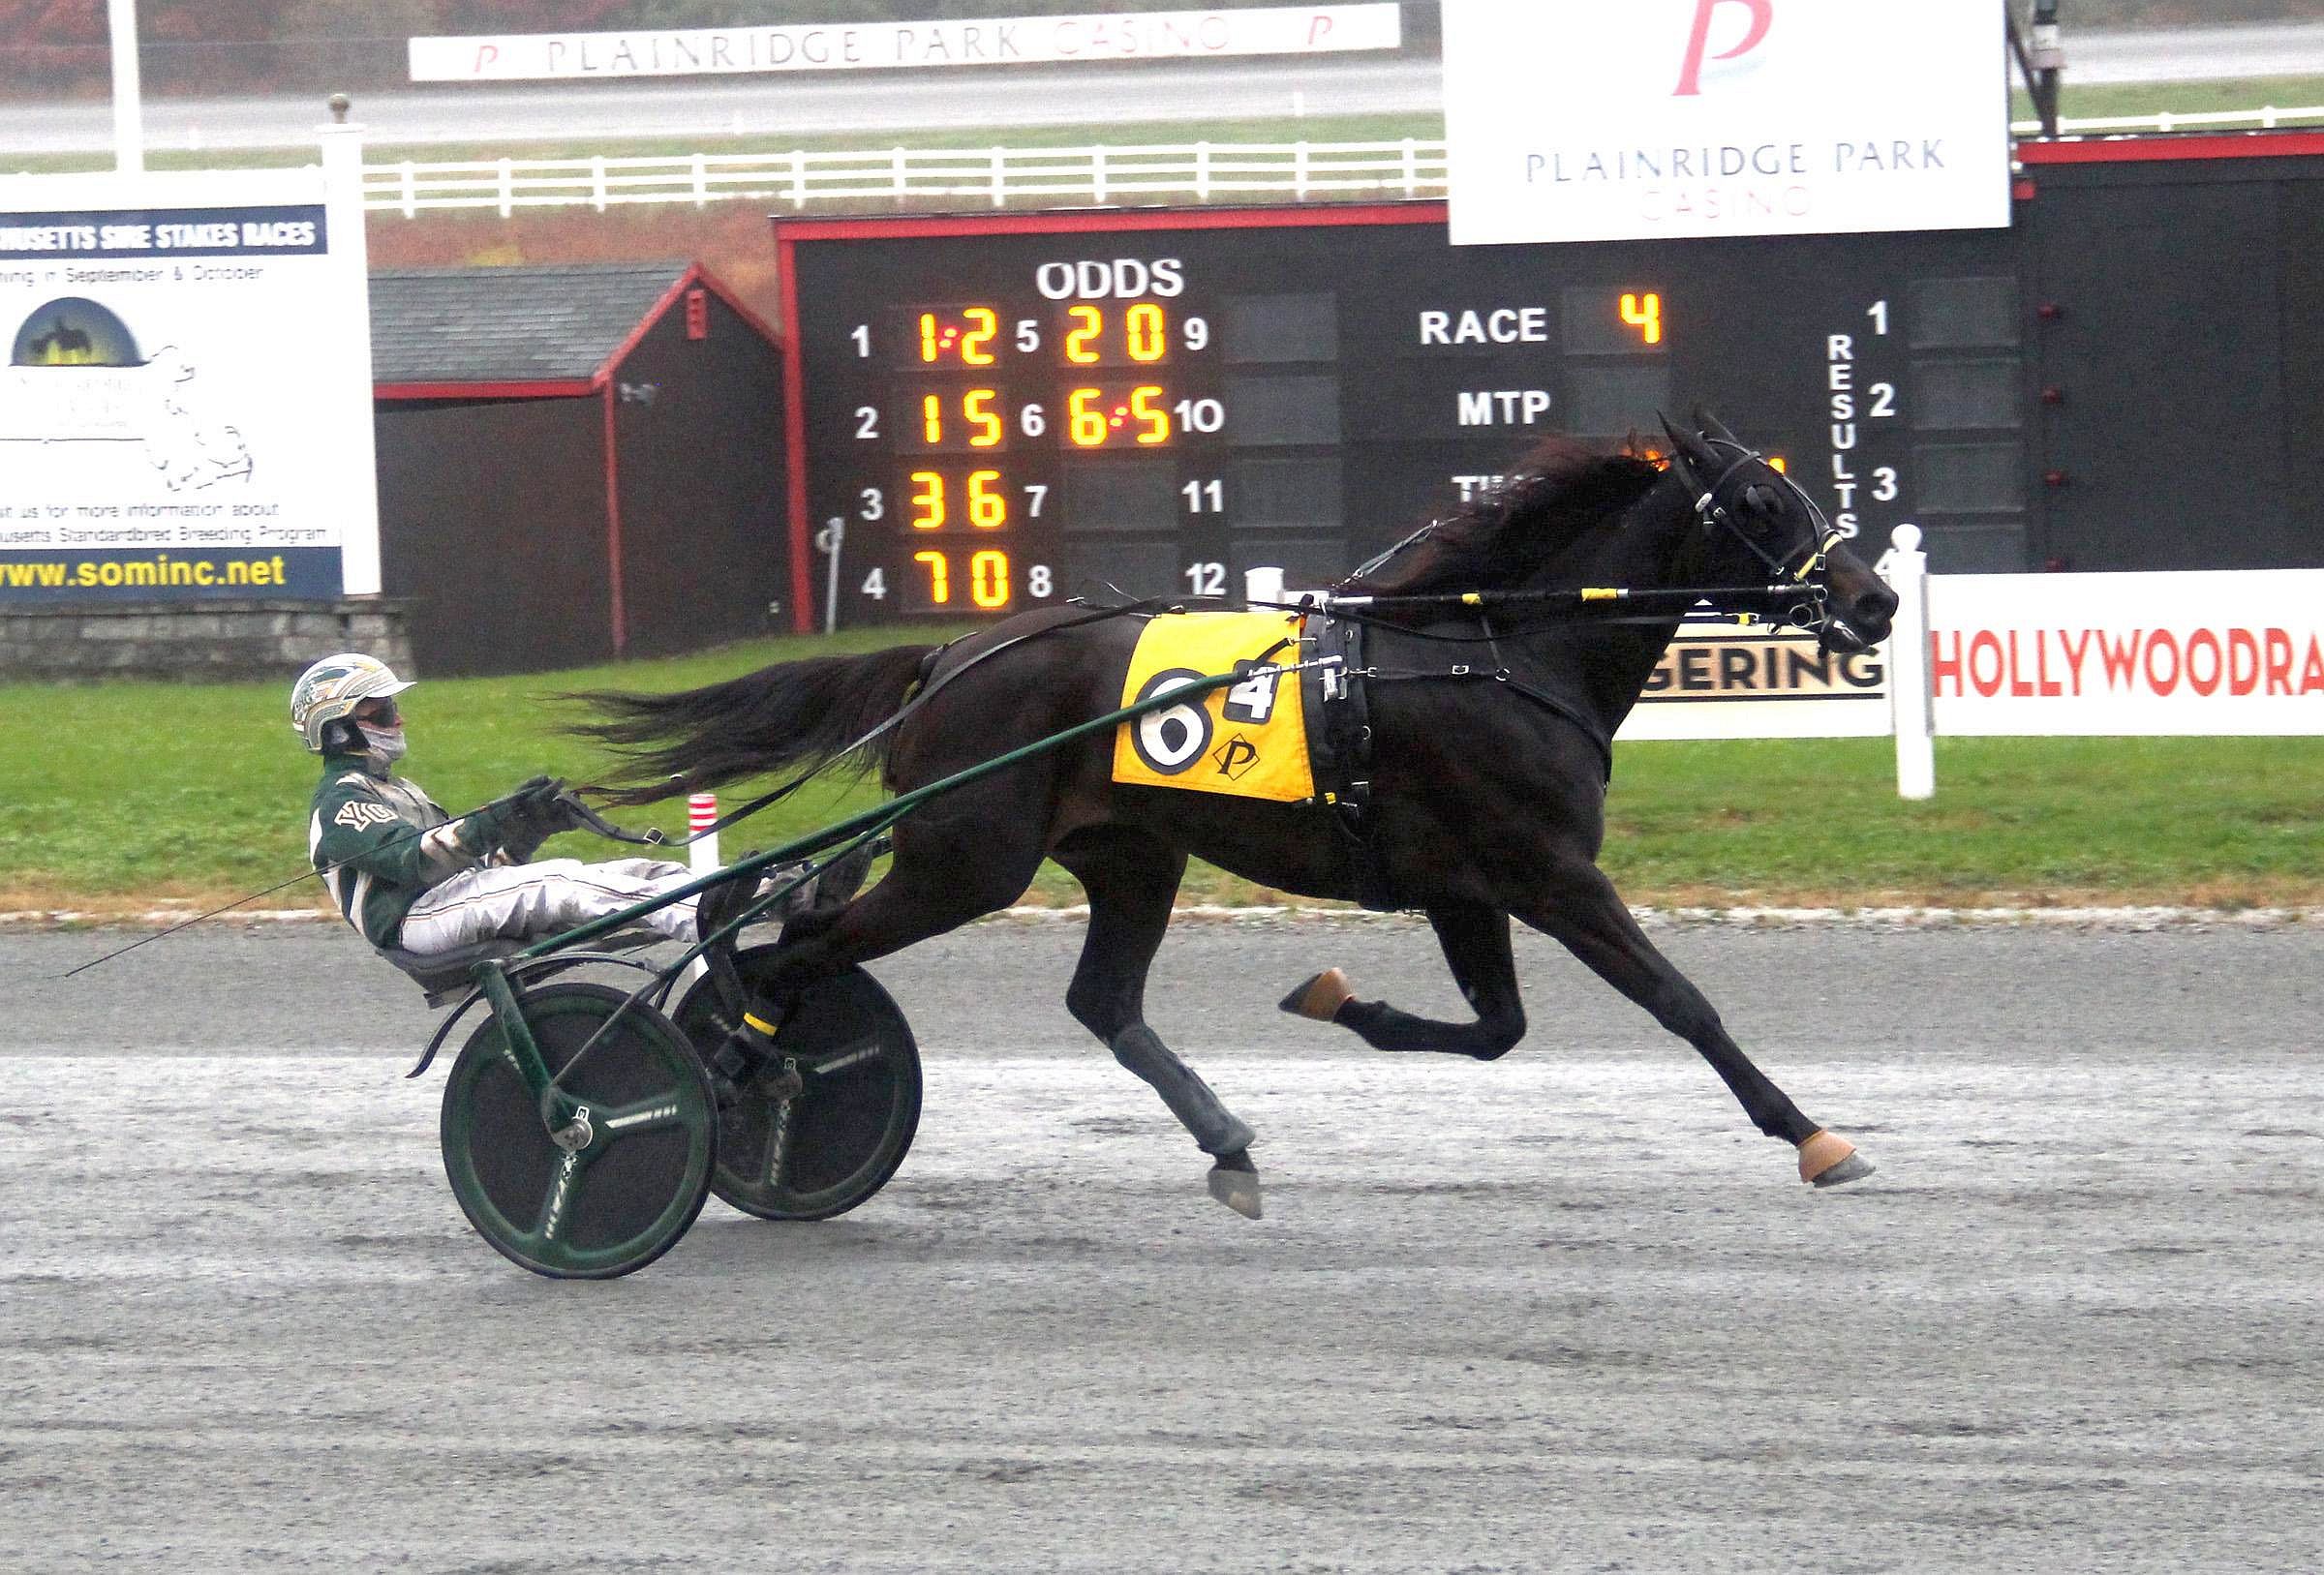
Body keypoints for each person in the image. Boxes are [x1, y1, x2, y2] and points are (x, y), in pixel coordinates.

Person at [291, 651, 738, 955]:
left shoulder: (398, 788)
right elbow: (416, 863)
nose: (399, 718)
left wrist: (529, 825)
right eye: (384, 712)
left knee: (633, 872)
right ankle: (704, 914)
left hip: (442, 906)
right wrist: (498, 816)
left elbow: (485, 874)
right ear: (338, 729)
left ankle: (762, 893)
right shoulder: (340, 800)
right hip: (417, 920)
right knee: (561, 881)